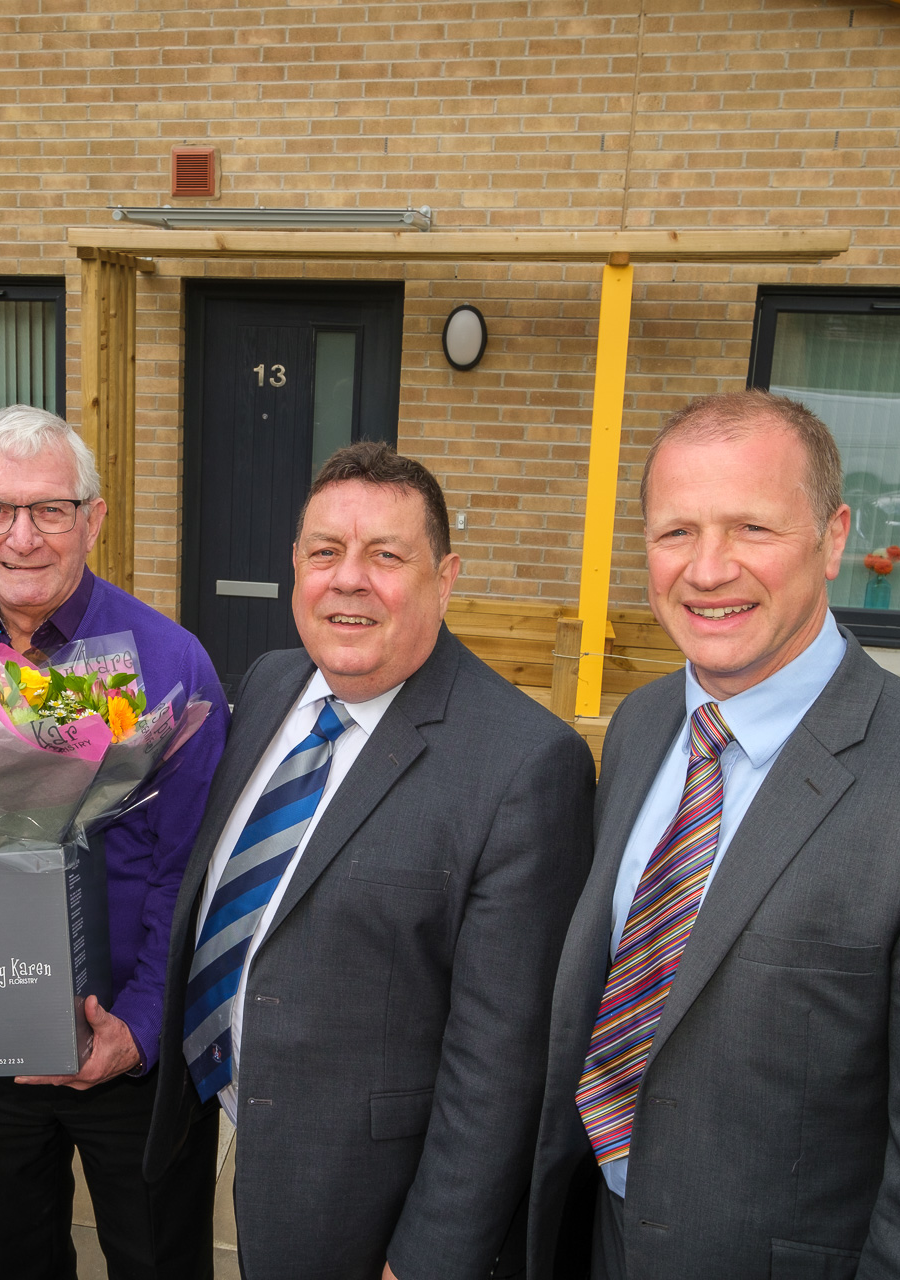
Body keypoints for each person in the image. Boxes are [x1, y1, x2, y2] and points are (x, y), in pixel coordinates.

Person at [525, 390, 900, 1279]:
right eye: (676, 533)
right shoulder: (641, 728)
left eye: (752, 528)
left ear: (833, 539)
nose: (707, 570)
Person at [144, 442, 596, 1280]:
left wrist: (426, 1260)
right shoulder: (275, 684)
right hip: (236, 1130)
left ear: (446, 577)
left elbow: (499, 1067)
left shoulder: (526, 766)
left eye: (386, 555)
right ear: (295, 568)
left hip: (365, 1201)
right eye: (325, 552)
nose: (348, 579)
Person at [0, 404, 228, 1280]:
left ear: (93, 519)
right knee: (7, 1261)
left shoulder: (172, 664)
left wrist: (138, 1029)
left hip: (128, 1048)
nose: (22, 536)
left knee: (159, 1260)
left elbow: (190, 873)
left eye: (51, 509)